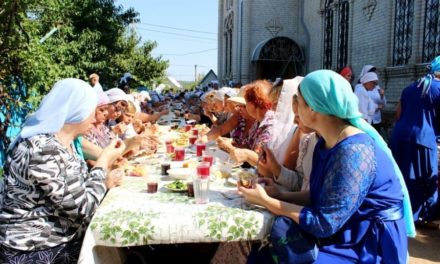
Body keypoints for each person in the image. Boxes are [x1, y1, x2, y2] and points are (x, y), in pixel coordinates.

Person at [239, 70, 415, 263]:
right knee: (260, 256)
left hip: (368, 242)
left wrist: (266, 201)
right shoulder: (324, 143)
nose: (295, 112)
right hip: (345, 227)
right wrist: (277, 194)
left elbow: (324, 223)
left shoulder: (354, 151)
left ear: (313, 108)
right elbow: (320, 195)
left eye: (300, 104)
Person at [0, 78, 125, 263]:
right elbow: (82, 208)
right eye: (92, 109)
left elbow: (76, 189)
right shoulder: (43, 148)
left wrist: (102, 181)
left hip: (57, 240)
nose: (95, 117)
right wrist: (104, 160)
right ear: (77, 110)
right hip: (35, 250)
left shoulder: (63, 142)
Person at [391, 55, 440, 228]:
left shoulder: (411, 87)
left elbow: (398, 113)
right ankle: (426, 218)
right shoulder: (438, 89)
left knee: (403, 176)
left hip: (399, 137)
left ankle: (401, 213)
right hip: (423, 139)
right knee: (425, 178)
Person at [229, 80, 274, 166]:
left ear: (252, 104)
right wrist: (232, 145)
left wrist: (231, 148)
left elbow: (261, 159)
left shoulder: (270, 124)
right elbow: (249, 146)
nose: (240, 108)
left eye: (245, 103)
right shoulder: (258, 121)